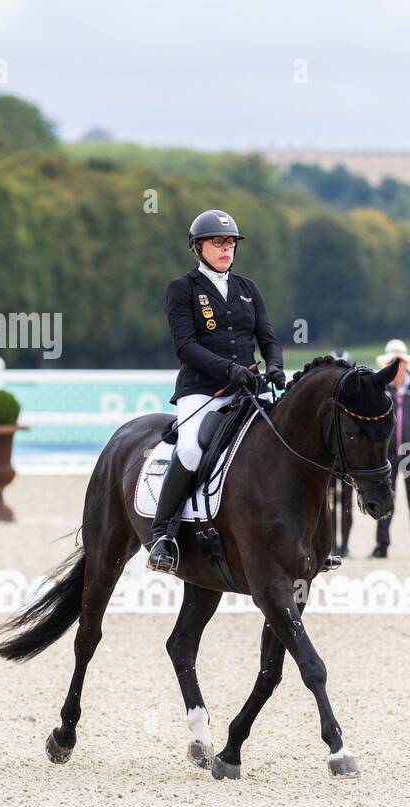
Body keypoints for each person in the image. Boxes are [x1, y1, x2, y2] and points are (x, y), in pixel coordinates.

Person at [147, 209, 286, 573]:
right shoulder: (184, 288)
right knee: (191, 448)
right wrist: (229, 369)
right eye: (217, 242)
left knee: (286, 442)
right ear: (198, 248)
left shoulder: (247, 289)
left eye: (230, 243)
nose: (226, 249)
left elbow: (267, 339)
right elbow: (186, 347)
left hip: (249, 388)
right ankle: (164, 535)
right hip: (203, 390)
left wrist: (275, 367)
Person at [370, 339, 410, 559]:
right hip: (386, 453)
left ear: (406, 363)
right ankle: (381, 546)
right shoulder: (380, 389)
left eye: (399, 362)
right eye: (392, 362)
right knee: (386, 499)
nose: (396, 366)